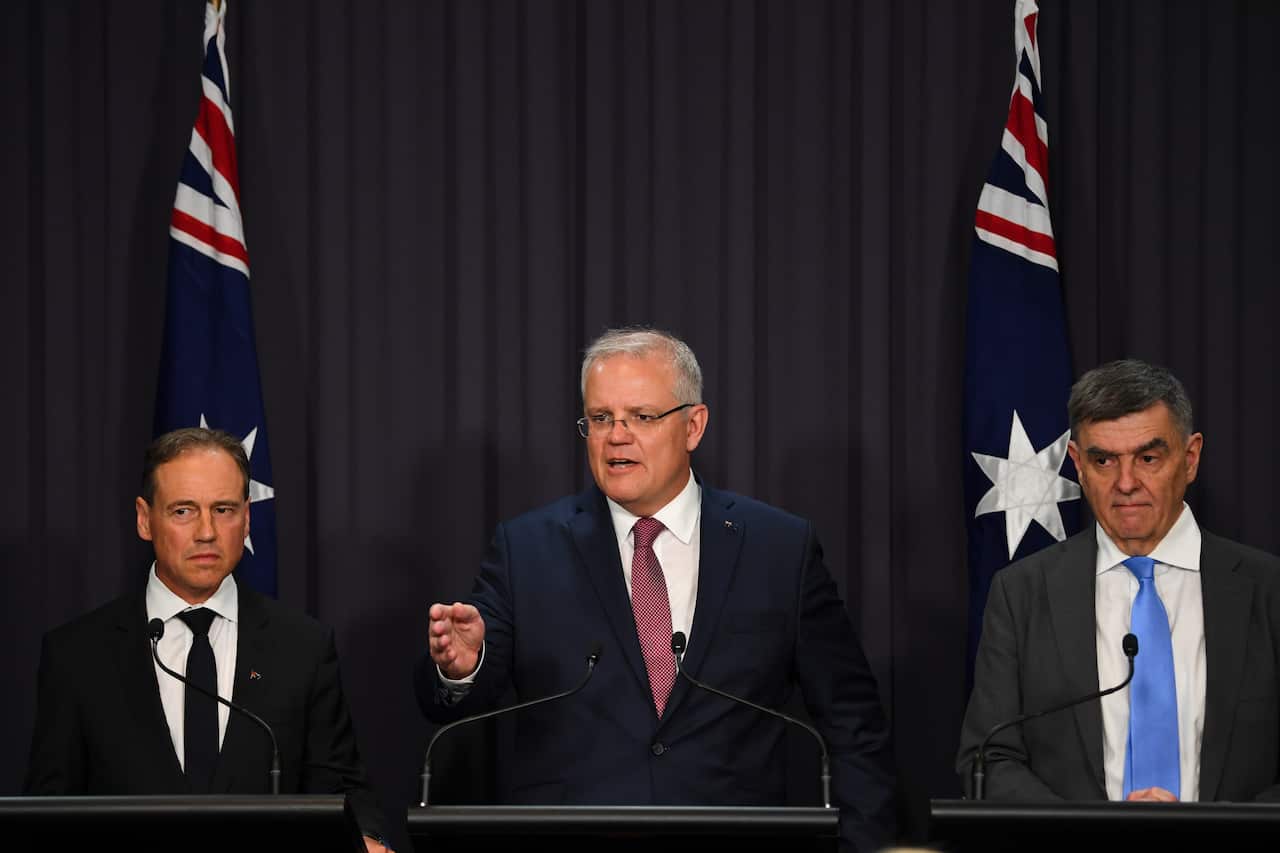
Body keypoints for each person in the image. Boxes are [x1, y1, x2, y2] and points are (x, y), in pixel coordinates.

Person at [417, 327, 895, 851]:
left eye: (641, 417)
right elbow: (451, 705)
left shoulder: (779, 548)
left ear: (694, 426)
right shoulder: (527, 548)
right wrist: (462, 668)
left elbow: (853, 723)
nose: (616, 436)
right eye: (600, 419)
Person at [25, 428, 390, 851]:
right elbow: (48, 814)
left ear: (247, 518)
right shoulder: (77, 655)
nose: (207, 532)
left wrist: (365, 839)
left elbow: (341, 789)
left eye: (223, 509)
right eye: (183, 511)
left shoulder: (303, 647)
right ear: (145, 519)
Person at [958, 359, 1280, 802]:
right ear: (1077, 464)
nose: (1126, 483)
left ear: (1190, 459)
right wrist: (1094, 837)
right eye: (1104, 460)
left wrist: (1219, 835)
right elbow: (987, 760)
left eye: (1148, 458)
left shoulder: (1268, 590)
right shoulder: (1022, 593)